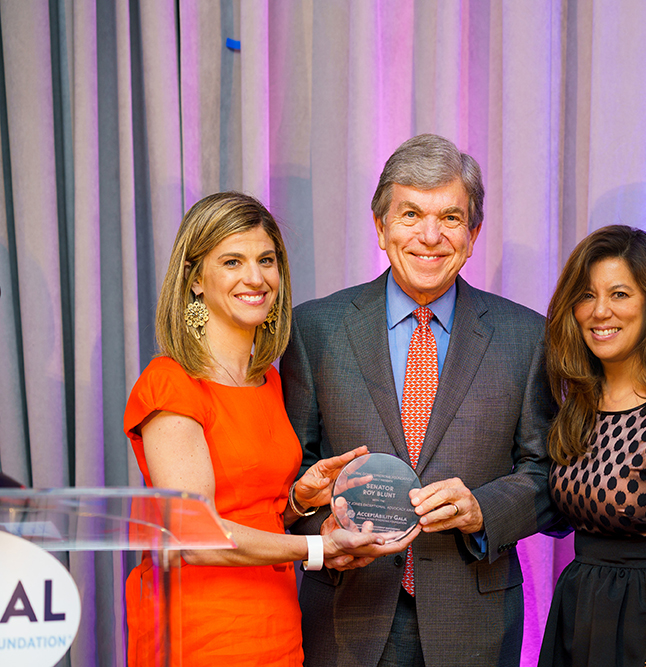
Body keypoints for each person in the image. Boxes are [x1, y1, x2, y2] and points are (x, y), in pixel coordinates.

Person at [280, 134, 556, 667]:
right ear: (380, 228)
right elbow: (292, 475)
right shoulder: (313, 330)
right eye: (410, 214)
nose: (430, 236)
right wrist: (327, 532)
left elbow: (546, 475)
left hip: (473, 623)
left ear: (473, 234)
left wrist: (483, 511)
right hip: (347, 616)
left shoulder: (527, 337)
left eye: (451, 218)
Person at [123, 192, 412, 666]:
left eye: (266, 260)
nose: (255, 278)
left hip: (275, 625)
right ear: (195, 280)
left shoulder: (269, 381)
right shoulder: (170, 383)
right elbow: (194, 536)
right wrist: (317, 547)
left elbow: (253, 512)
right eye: (232, 261)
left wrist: (299, 498)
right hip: (197, 630)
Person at [537, 225, 646, 667]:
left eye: (619, 294)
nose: (599, 312)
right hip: (578, 612)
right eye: (587, 296)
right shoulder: (578, 406)